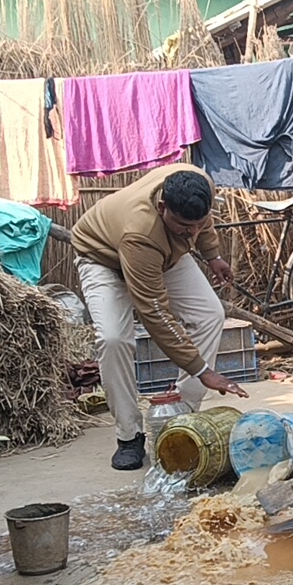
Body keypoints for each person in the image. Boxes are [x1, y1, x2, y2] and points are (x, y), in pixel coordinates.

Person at [73, 164, 250, 470]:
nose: (192, 232)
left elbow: (201, 225)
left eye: (197, 224)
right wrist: (204, 371)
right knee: (114, 339)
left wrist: (213, 256)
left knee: (210, 314)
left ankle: (181, 417)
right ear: (162, 206)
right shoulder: (140, 232)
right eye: (184, 225)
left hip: (164, 253)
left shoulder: (199, 185)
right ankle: (129, 436)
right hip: (103, 257)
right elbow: (155, 313)